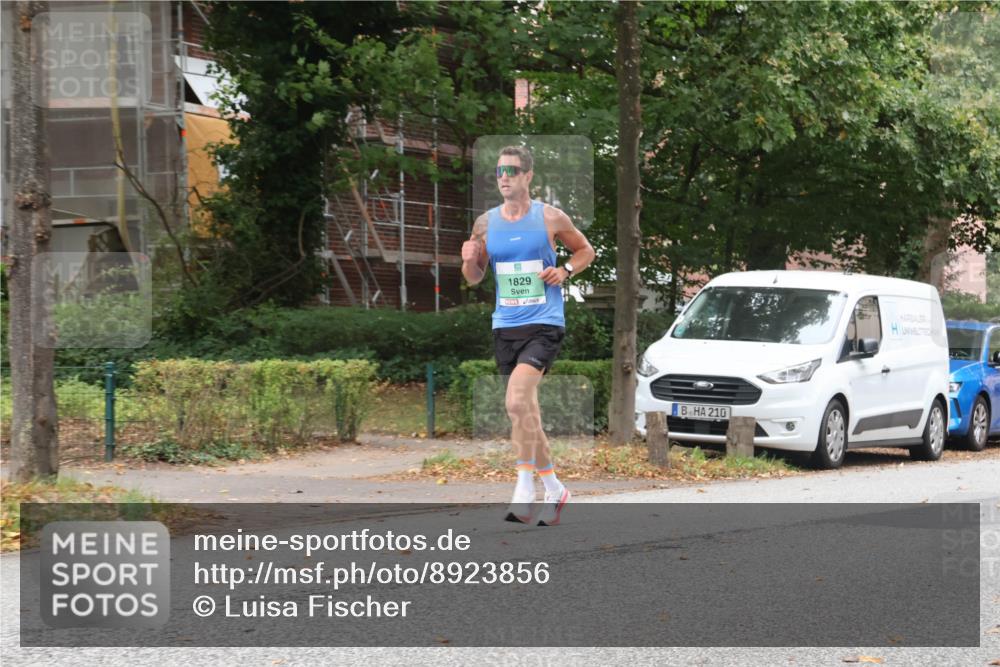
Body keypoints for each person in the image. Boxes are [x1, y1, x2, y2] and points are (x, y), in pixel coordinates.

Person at [461, 145, 595, 526]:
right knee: (526, 413)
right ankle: (555, 489)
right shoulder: (485, 223)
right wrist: (470, 260)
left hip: (544, 323)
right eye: (499, 171)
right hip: (505, 326)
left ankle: (524, 488)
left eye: (512, 170)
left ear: (528, 176)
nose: (504, 177)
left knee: (516, 402)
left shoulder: (550, 217)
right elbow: (474, 278)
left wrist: (565, 270)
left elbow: (587, 250)